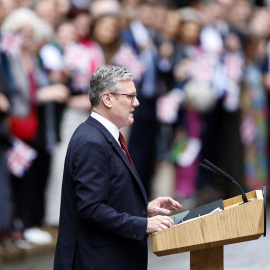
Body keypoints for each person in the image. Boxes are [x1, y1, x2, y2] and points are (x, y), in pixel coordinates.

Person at [54, 65, 182, 270]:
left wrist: (143, 208)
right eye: (130, 96)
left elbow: (106, 194)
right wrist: (143, 224)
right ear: (107, 99)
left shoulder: (100, 136)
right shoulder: (92, 142)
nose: (136, 103)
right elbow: (91, 209)